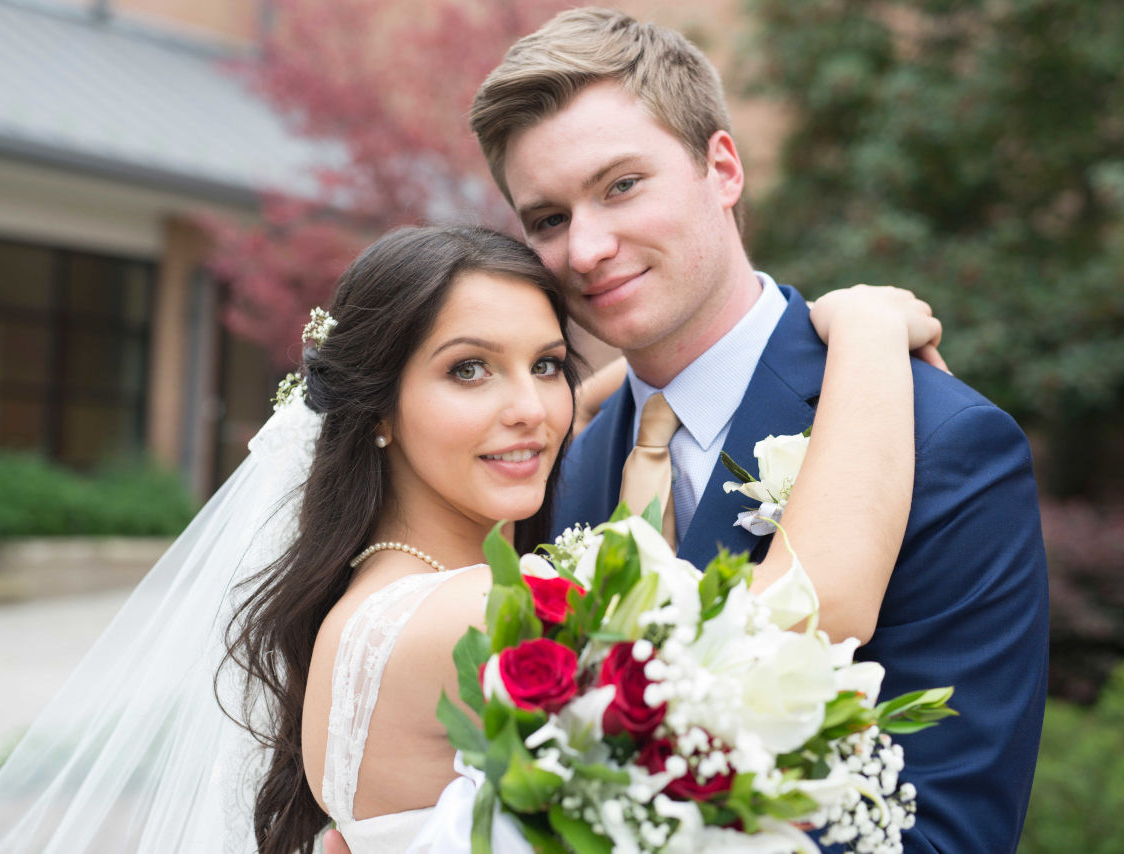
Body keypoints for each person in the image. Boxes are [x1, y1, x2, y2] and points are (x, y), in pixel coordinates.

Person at [463, 8, 1048, 853]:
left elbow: (947, 829)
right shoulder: (560, 463)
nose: (586, 249)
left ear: (723, 167)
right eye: (548, 219)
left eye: (622, 185)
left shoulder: (945, 442)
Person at [232, 217, 942, 854]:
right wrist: (868, 333)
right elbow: (816, 604)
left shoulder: (368, 605)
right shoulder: (473, 615)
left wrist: (640, 387)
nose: (531, 410)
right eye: (468, 369)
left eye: (545, 366)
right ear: (377, 411)